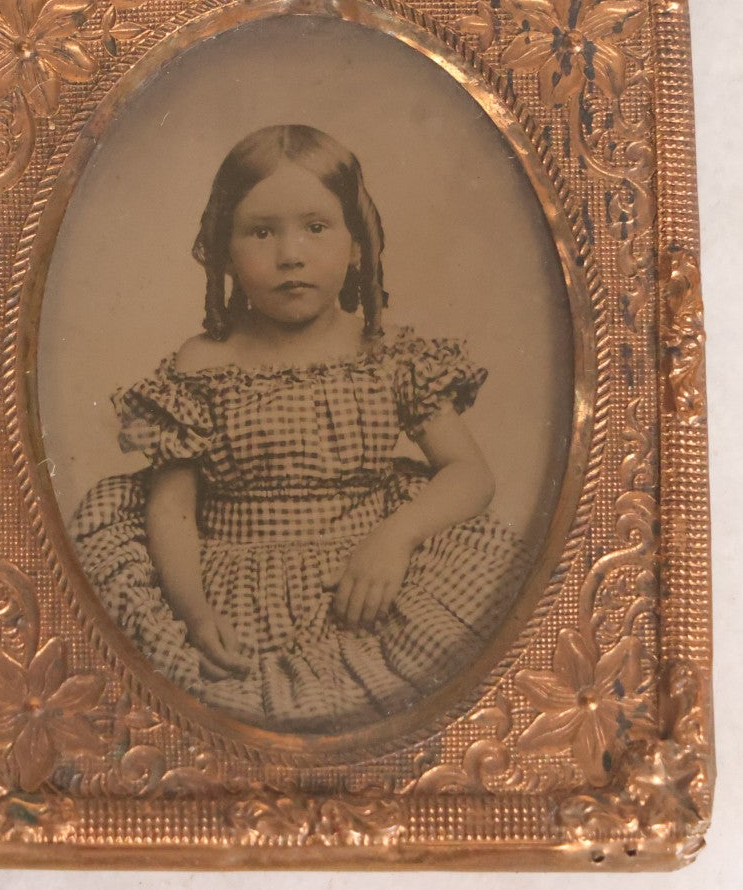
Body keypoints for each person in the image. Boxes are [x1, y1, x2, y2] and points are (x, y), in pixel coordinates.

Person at [70, 124, 531, 732]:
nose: (291, 253)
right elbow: (172, 511)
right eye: (261, 232)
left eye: (316, 227)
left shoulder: (388, 355)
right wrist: (196, 611)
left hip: (369, 581)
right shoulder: (203, 366)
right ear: (225, 250)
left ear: (357, 244)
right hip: (233, 582)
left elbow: (470, 473)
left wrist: (394, 539)